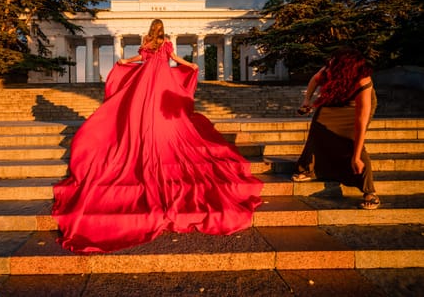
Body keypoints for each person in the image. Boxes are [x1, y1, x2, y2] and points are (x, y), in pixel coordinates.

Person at [52, 19, 263, 253]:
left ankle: (145, 132)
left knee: (140, 108)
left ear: (151, 30)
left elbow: (140, 59)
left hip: (145, 79)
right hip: (162, 79)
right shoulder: (165, 43)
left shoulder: (147, 42)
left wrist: (124, 61)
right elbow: (174, 61)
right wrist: (191, 66)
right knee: (162, 110)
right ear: (162, 30)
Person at [291, 47, 380, 209]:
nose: (329, 62)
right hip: (336, 98)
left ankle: (369, 191)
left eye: (334, 60)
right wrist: (306, 101)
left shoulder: (363, 80)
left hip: (355, 106)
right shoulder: (330, 69)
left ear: (345, 66)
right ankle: (308, 168)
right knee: (318, 127)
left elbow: (360, 122)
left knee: (350, 139)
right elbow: (315, 80)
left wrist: (356, 156)